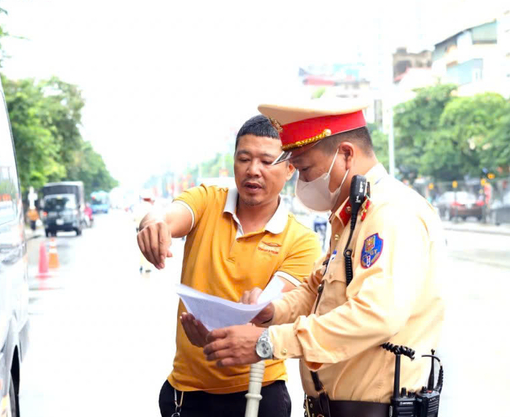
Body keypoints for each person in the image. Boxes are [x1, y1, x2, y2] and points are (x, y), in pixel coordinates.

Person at [203, 100, 445, 417]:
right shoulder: (353, 215)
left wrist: (269, 341)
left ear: (346, 154)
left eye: (305, 169)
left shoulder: (391, 214)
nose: (301, 181)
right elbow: (315, 291)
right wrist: (272, 310)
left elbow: (378, 314)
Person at [137, 115, 321, 417]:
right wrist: (152, 224)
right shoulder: (208, 199)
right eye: (244, 159)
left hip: (259, 393)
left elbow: (266, 310)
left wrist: (213, 334)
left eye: (266, 161)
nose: (253, 170)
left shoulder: (301, 240)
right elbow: (168, 217)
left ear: (290, 168)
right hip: (185, 393)